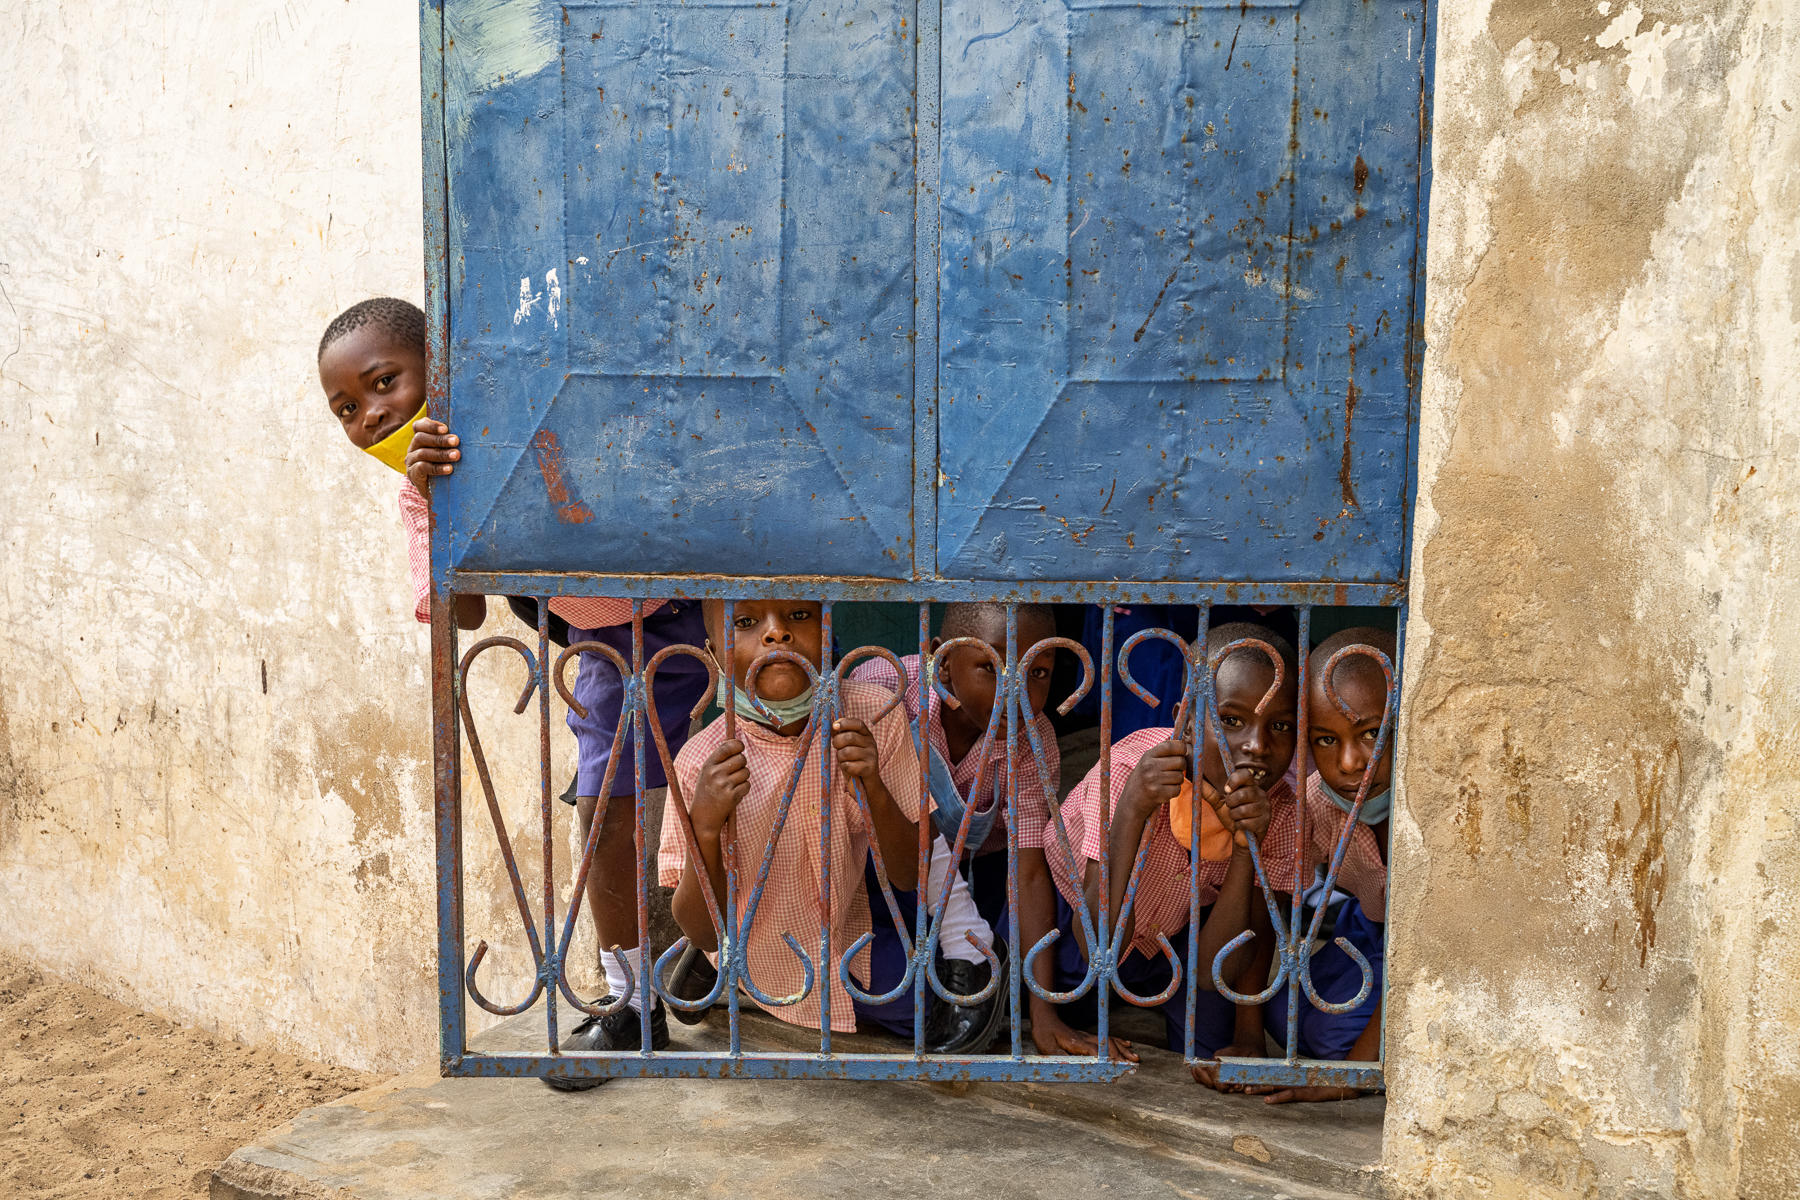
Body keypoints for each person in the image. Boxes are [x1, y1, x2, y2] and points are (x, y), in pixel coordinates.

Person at [318, 298, 710, 1086]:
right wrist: (439, 502)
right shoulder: (420, 494)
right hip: (610, 647)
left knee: (780, 773)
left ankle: (722, 953)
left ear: (445, 366)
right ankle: (633, 1002)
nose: (372, 415)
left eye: (385, 383)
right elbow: (461, 612)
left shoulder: (531, 412)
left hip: (709, 602)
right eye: (348, 410)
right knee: (606, 812)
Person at [661, 599, 951, 1040]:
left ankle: (726, 980)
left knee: (926, 1008)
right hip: (752, 943)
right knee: (733, 952)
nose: (777, 634)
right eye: (745, 622)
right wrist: (704, 826)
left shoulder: (872, 712)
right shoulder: (700, 762)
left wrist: (873, 784)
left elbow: (910, 874)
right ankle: (723, 972)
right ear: (716, 652)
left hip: (844, 924)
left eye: (799, 615)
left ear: (828, 627)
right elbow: (703, 928)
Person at [1041, 623, 1303, 1067]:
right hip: (1073, 922)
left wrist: (1246, 848)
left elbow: (1218, 968)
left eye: (1280, 725)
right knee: (1070, 990)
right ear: (1183, 719)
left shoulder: (1282, 809)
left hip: (1175, 940)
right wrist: (1131, 810)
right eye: (1230, 720)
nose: (1257, 746)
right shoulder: (1129, 769)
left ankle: (1148, 997)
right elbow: (1095, 944)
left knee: (1211, 1046)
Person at [850, 603, 1059, 1053]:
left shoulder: (1032, 739)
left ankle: (976, 955)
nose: (1016, 691)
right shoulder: (884, 689)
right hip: (874, 867)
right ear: (943, 664)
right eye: (991, 666)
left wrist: (1044, 1017)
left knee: (971, 977)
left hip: (975, 873)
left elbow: (1029, 871)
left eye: (1038, 672)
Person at [1246, 626, 1394, 1104]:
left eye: (1372, 733)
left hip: (1421, 951)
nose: (1350, 762)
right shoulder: (1315, 804)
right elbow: (1273, 897)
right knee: (1278, 1014)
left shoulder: (1434, 813)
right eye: (1326, 740)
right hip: (1365, 929)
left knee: (1333, 1043)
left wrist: (1349, 1077)